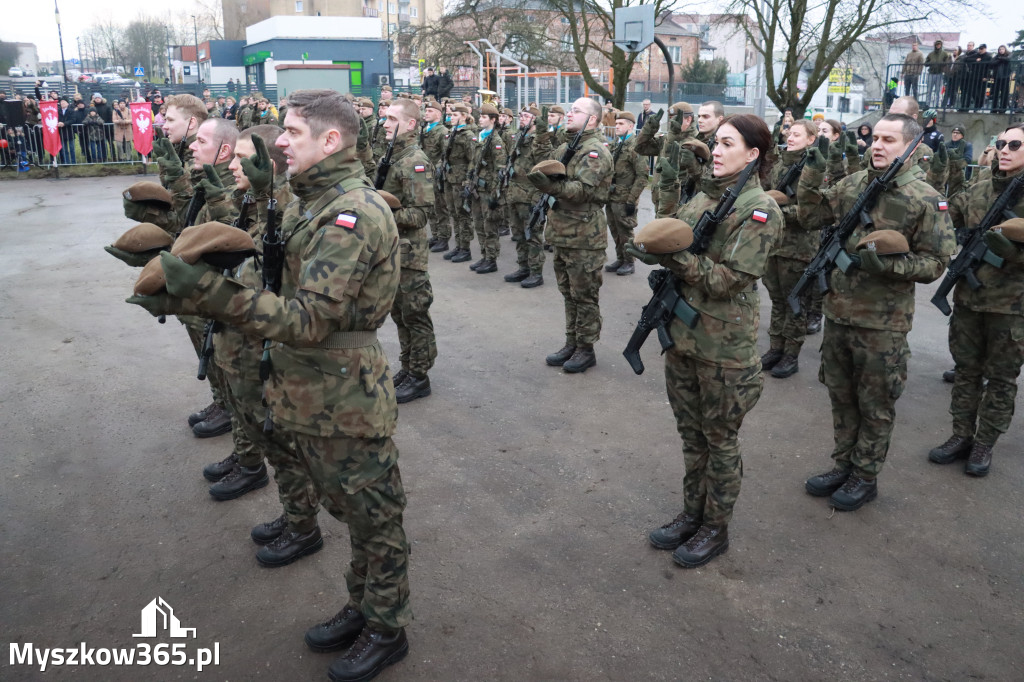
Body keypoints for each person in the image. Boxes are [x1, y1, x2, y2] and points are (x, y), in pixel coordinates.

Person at [131, 88, 412, 682]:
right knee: (347, 509)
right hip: (309, 387)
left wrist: (208, 294)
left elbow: (309, 320)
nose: (279, 142)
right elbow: (272, 270)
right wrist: (258, 199)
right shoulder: (314, 200)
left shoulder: (351, 214)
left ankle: (386, 627)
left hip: (344, 396)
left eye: (292, 132)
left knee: (373, 517)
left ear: (330, 140)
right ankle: (364, 604)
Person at [638, 114, 782, 568]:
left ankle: (715, 528)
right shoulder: (704, 196)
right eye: (715, 142)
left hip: (724, 350)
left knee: (719, 440)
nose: (716, 151)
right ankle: (692, 514)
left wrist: (674, 257)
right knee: (691, 436)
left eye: (727, 144)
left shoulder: (760, 210)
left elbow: (727, 280)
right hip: (683, 338)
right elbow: (671, 239)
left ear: (753, 154)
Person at [798, 113, 955, 510]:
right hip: (839, 313)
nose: (878, 146)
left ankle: (865, 476)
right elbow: (810, 216)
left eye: (889, 140)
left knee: (876, 403)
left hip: (883, 324)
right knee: (841, 396)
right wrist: (811, 176)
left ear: (911, 148)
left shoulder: (926, 199)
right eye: (876, 138)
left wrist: (888, 266)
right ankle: (843, 464)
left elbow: (936, 263)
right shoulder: (853, 183)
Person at [928, 124, 1024, 477]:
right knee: (967, 372)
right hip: (970, 299)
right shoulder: (980, 187)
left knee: (1001, 379)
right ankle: (961, 435)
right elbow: (944, 216)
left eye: (1015, 145)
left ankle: (984, 443)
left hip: (1012, 307)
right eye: (1001, 143)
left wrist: (1012, 254)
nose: (1005, 149)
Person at [530, 97, 613, 373]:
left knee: (584, 295)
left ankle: (586, 349)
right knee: (568, 292)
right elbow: (548, 166)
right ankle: (572, 342)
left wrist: (551, 187)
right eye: (570, 110)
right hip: (562, 232)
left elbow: (582, 191)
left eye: (576, 111)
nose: (569, 114)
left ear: (592, 119)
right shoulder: (567, 146)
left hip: (585, 236)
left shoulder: (595, 151)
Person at [380, 98, 438, 404]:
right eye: (386, 118)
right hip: (392, 251)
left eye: (392, 119)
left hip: (410, 255)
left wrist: (381, 212)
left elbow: (419, 215)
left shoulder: (415, 161)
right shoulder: (392, 155)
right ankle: (408, 366)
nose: (385, 123)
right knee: (399, 314)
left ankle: (420, 375)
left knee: (415, 314)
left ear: (410, 124)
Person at [761, 119, 819, 379]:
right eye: (789, 133)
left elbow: (812, 212)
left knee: (795, 302)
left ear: (811, 139)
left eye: (797, 134)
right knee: (777, 300)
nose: (791, 137)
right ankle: (776, 348)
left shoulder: (814, 168)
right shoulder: (780, 165)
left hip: (799, 247)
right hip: (775, 244)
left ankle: (791, 355)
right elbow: (765, 194)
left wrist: (777, 211)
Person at [503, 106, 552, 288]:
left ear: (535, 120)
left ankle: (536, 272)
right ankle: (523, 267)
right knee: (518, 234)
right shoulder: (519, 137)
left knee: (533, 236)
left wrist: (537, 198)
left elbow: (543, 164)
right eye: (521, 115)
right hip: (515, 193)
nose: (521, 118)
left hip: (530, 195)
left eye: (526, 116)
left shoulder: (539, 141)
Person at [603, 110, 648, 276]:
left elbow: (642, 176)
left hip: (625, 197)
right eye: (616, 123)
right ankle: (620, 258)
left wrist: (631, 200)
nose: (616, 126)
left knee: (626, 232)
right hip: (612, 196)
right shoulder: (617, 144)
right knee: (615, 230)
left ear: (630, 126)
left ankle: (629, 262)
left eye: (620, 124)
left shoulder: (636, 147)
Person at [464, 103, 507, 274]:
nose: (480, 119)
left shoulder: (496, 141)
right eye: (480, 116)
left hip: (488, 190)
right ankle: (484, 256)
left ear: (493, 120)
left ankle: (491, 259)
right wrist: (468, 183)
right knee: (479, 224)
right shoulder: (480, 136)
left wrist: (495, 195)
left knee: (490, 227)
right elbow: (473, 163)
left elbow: (500, 170)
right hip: (477, 189)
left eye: (483, 117)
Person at [440, 104, 477, 263]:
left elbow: (473, 159)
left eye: (455, 115)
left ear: (463, 116)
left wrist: (468, 181)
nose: (451, 118)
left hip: (461, 179)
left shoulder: (468, 135)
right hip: (449, 177)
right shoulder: (451, 132)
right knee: (453, 213)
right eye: (451, 115)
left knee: (463, 214)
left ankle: (465, 248)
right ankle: (458, 245)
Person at [925, 40, 950, 107]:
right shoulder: (931, 54)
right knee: (929, 90)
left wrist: (941, 64)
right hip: (931, 73)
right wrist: (931, 63)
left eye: (939, 45)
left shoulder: (944, 54)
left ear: (941, 45)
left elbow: (947, 63)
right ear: (935, 45)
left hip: (939, 73)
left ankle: (938, 104)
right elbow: (926, 63)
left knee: (938, 91)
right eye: (937, 45)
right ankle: (927, 104)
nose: (938, 46)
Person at [991, 45, 1011, 112]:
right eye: (1000, 49)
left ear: (1005, 50)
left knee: (1004, 93)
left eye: (1002, 49)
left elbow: (1008, 59)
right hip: (997, 77)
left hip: (1005, 76)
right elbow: (992, 63)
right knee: (995, 93)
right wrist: (1000, 59)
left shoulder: (1008, 55)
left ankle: (1003, 108)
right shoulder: (996, 56)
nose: (1001, 50)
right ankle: (994, 108)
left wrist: (999, 59)